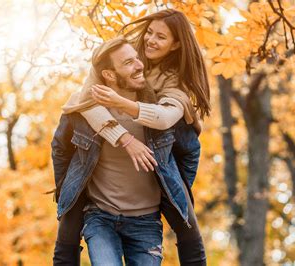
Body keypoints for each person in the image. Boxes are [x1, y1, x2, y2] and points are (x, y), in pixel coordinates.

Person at [53, 9, 210, 266]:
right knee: (68, 225)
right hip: (101, 208)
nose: (150, 40)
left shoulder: (174, 83)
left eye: (161, 37)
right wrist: (124, 138)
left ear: (176, 44)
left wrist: (172, 181)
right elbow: (81, 102)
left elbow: (175, 131)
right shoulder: (122, 56)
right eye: (149, 32)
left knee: (188, 227)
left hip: (146, 208)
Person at [52, 38, 165, 266]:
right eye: (128, 62)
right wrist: (68, 190)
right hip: (100, 216)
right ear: (109, 75)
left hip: (147, 223)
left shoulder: (157, 109)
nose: (139, 65)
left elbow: (189, 151)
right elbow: (60, 149)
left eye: (137, 58)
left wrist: (174, 191)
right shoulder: (83, 111)